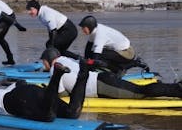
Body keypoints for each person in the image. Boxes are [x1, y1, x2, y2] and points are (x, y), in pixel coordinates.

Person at [0, 58, 90, 122]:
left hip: (17, 101)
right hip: (29, 92)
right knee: (72, 113)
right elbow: (21, 83)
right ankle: (84, 72)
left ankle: (57, 75)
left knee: (49, 116)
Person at [40, 47, 182, 99]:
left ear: (48, 60)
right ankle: (173, 88)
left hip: (101, 86)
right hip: (102, 78)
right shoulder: (65, 59)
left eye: (43, 62)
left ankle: (177, 90)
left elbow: (60, 94)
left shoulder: (55, 69)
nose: (42, 65)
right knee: (138, 89)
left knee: (140, 92)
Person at [79, 15, 148, 75]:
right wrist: (85, 60)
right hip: (120, 51)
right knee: (94, 55)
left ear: (90, 26)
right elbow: (88, 48)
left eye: (83, 28)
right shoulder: (95, 30)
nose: (82, 30)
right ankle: (117, 69)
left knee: (99, 56)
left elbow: (96, 57)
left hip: (128, 53)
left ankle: (127, 66)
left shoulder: (99, 35)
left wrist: (88, 68)